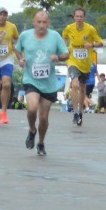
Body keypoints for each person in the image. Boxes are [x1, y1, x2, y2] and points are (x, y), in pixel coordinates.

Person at [14, 10, 69, 157]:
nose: (41, 25)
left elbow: (66, 54)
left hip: (49, 82)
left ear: (48, 23)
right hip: (31, 79)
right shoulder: (25, 36)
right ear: (34, 22)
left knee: (44, 117)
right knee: (32, 108)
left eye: (44, 22)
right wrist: (20, 59)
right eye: (39, 22)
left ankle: (41, 142)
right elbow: (17, 49)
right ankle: (32, 130)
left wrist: (58, 57)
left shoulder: (55, 36)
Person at [61, 8, 103, 126]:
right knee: (74, 84)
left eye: (81, 16)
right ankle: (74, 112)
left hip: (85, 63)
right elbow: (64, 36)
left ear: (84, 17)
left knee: (82, 88)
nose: (79, 18)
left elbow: (101, 42)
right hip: (73, 61)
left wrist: (92, 45)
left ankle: (80, 112)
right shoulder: (69, 28)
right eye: (77, 16)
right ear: (74, 17)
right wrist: (65, 49)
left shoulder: (90, 29)